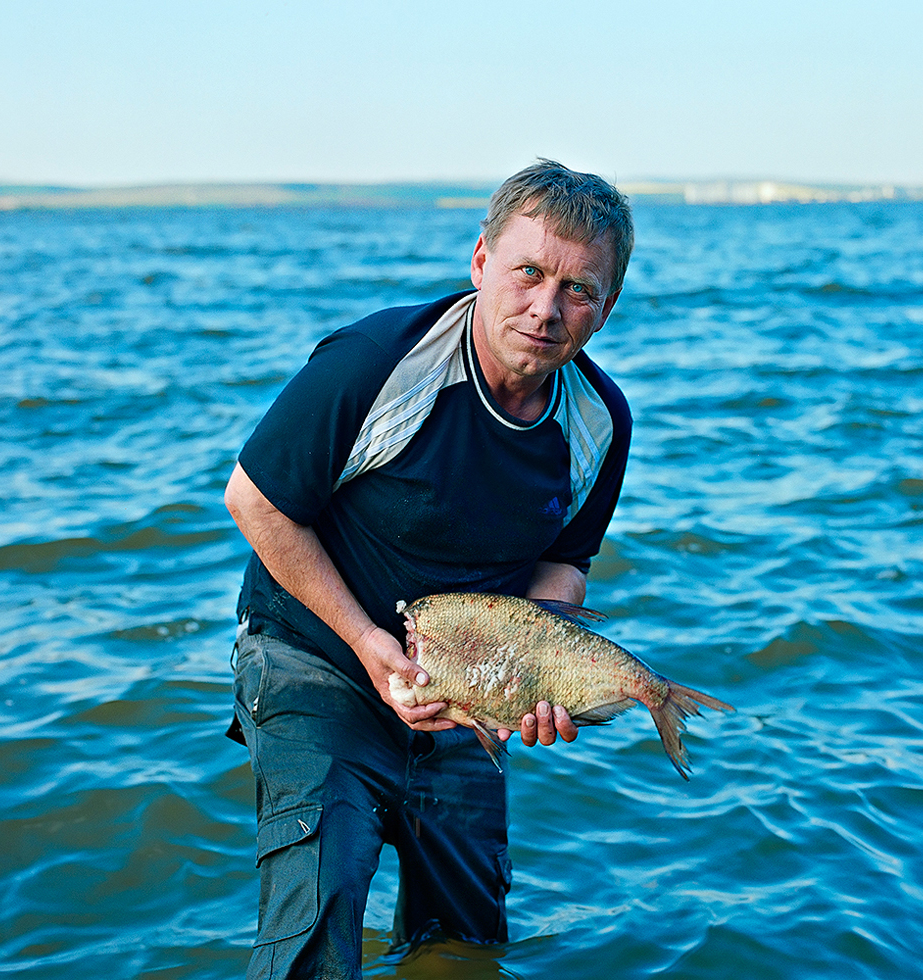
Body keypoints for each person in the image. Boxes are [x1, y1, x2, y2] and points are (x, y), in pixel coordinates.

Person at [224, 158, 635, 979]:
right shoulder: (378, 361)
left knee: (467, 939)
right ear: (480, 261)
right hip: (317, 662)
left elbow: (563, 563)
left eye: (578, 290)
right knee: (317, 918)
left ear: (607, 307)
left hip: (467, 693)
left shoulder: (601, 419)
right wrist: (372, 646)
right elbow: (256, 501)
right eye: (528, 272)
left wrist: (536, 679)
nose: (546, 308)